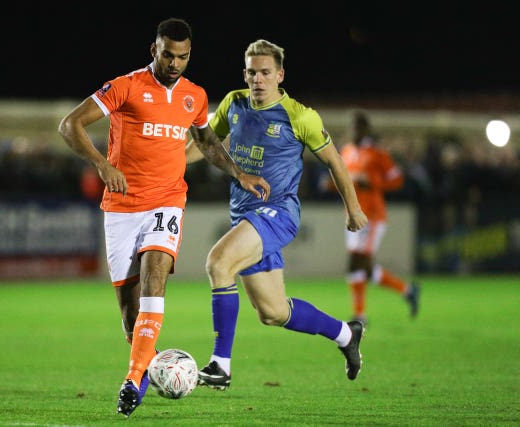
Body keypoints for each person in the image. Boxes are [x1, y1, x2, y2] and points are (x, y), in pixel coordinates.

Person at [57, 18, 270, 418]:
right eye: (169, 55)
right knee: (130, 317)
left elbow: (206, 141)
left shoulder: (195, 96)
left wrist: (239, 173)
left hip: (167, 202)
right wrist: (102, 165)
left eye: (183, 57)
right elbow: (70, 125)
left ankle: (132, 377)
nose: (176, 63)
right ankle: (145, 367)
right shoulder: (126, 87)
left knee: (156, 271)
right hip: (121, 208)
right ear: (153, 49)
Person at [185, 39, 369, 390]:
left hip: (279, 212)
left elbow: (335, 161)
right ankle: (347, 334)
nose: (258, 79)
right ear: (244, 73)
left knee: (218, 263)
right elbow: (207, 146)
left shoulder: (300, 116)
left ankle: (220, 365)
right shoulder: (233, 103)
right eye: (252, 72)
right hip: (245, 216)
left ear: (279, 75)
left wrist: (353, 208)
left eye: (265, 73)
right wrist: (172, 163)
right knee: (273, 313)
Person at [322, 111, 420, 325]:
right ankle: (407, 290)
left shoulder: (378, 154)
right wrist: (330, 184)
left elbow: (397, 181)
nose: (354, 131)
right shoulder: (346, 152)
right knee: (362, 267)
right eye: (352, 127)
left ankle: (360, 315)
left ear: (366, 129)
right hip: (352, 215)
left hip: (372, 215)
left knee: (356, 263)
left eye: (358, 127)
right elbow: (343, 179)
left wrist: (373, 181)